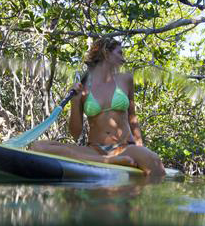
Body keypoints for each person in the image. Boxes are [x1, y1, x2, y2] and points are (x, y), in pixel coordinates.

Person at [31, 38, 165, 176]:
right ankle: (108, 161)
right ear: (106, 54)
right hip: (94, 150)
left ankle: (114, 160)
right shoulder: (83, 86)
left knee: (153, 161)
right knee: (38, 146)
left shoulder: (125, 79)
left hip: (124, 147)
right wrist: (75, 101)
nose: (123, 59)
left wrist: (140, 148)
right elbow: (75, 134)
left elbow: (132, 117)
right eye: (120, 53)